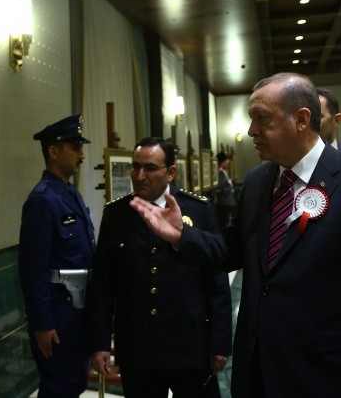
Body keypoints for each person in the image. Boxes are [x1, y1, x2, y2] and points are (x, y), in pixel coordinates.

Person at [129, 73, 341, 397]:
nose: (251, 130)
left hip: (327, 374)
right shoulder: (258, 181)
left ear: (301, 119)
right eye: (251, 119)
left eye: (261, 118)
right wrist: (181, 235)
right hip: (258, 368)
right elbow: (231, 250)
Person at [87, 137, 232, 398]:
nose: (140, 175)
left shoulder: (198, 211)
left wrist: (219, 342)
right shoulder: (117, 215)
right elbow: (102, 286)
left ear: (171, 172)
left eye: (150, 168)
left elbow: (217, 284)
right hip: (138, 347)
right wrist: (100, 343)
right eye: (135, 167)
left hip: (189, 344)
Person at [18, 114, 96, 398]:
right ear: (53, 151)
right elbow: (32, 271)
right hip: (58, 317)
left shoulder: (71, 194)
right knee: (58, 389)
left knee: (74, 385)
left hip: (78, 312)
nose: (82, 154)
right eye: (75, 147)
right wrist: (42, 324)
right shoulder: (42, 200)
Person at [317, 86, 341, 151]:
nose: (308, 123)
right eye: (303, 118)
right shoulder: (295, 155)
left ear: (336, 120)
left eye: (316, 116)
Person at [214, 152, 237, 230]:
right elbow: (219, 187)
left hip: (229, 202)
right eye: (226, 160)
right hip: (225, 202)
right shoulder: (221, 173)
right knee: (225, 223)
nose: (228, 162)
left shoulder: (223, 172)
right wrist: (227, 191)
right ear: (222, 162)